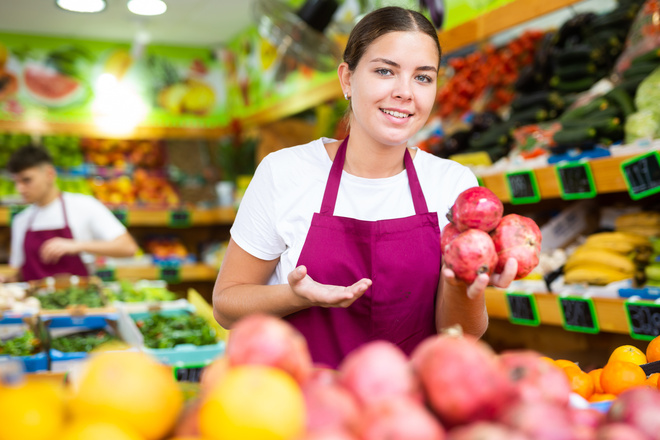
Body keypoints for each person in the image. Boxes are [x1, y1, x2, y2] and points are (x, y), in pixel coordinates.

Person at [213, 6, 518, 368]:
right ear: (347, 79)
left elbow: (461, 336)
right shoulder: (284, 172)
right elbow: (226, 306)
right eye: (385, 71)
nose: (405, 92)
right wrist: (295, 296)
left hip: (407, 411)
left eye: (423, 77)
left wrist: (461, 285)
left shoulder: (453, 185)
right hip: (305, 405)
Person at [6, 144, 138, 282]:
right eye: (16, 181)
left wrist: (77, 245)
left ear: (49, 174)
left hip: (78, 300)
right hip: (33, 302)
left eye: (26, 180)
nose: (20, 188)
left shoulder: (83, 205)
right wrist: (7, 280)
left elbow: (128, 248)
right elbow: (22, 272)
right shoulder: (21, 220)